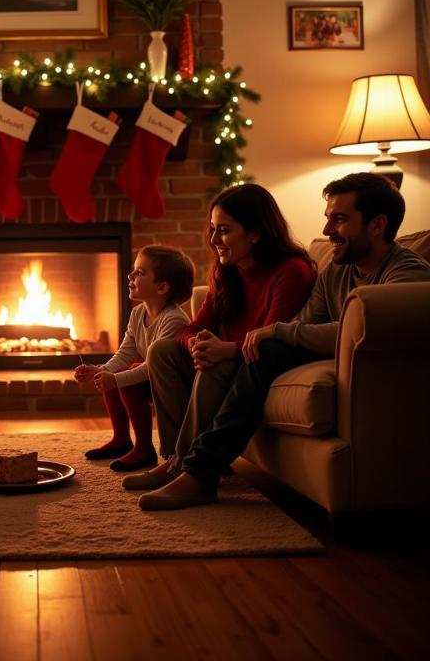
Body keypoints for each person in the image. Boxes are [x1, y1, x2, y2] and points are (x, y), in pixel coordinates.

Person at [138, 172, 430, 510]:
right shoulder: (337, 269)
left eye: (339, 219)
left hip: (367, 376)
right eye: (327, 219)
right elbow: (306, 323)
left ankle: (197, 471)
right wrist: (204, 343)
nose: (326, 231)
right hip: (310, 353)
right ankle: (186, 465)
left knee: (263, 349)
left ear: (377, 224)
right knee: (183, 350)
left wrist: (273, 333)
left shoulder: (408, 275)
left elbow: (353, 329)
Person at [123, 183, 315, 493]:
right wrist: (196, 345)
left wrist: (225, 350)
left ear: (255, 233)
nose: (214, 241)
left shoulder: (291, 272)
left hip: (256, 366)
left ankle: (186, 470)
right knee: (161, 351)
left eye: (223, 230)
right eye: (212, 229)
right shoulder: (228, 271)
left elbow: (269, 339)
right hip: (227, 357)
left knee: (218, 365)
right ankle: (174, 457)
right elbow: (191, 328)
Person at [74, 246, 194, 472]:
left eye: (140, 272)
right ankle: (121, 439)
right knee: (118, 373)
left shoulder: (174, 320)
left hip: (176, 386)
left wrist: (115, 379)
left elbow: (152, 368)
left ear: (162, 287)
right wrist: (101, 370)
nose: (130, 276)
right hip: (155, 379)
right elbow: (125, 352)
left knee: (125, 377)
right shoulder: (138, 313)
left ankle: (144, 449)